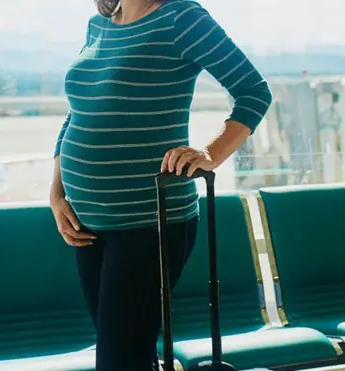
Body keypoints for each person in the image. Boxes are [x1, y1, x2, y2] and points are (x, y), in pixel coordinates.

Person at [49, 0, 272, 370]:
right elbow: (77, 113)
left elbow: (253, 91)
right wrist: (57, 193)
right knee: (125, 354)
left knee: (120, 360)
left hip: (148, 221)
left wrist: (210, 154)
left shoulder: (181, 17)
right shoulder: (100, 24)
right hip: (87, 226)